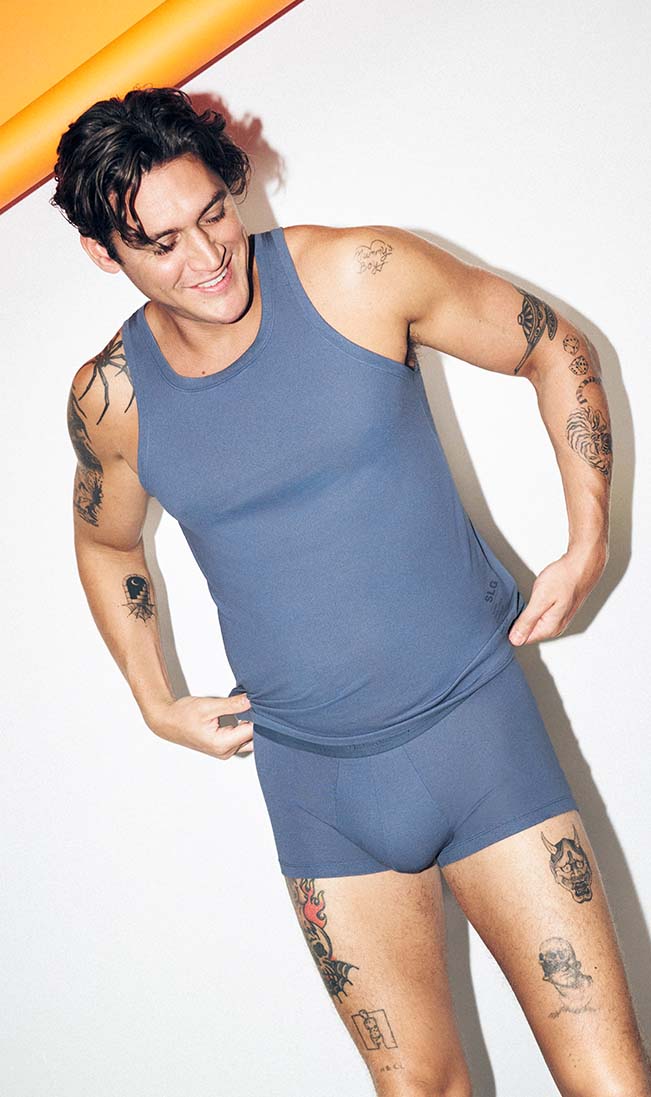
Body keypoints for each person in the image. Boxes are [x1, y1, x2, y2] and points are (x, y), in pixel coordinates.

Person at [52, 86, 649, 1096]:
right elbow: (107, 544)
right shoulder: (112, 398)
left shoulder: (359, 274)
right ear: (105, 253)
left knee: (609, 1080)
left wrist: (587, 541)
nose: (207, 257)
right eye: (161, 243)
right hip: (317, 789)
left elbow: (552, 344)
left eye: (213, 213)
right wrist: (155, 699)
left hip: (477, 734)